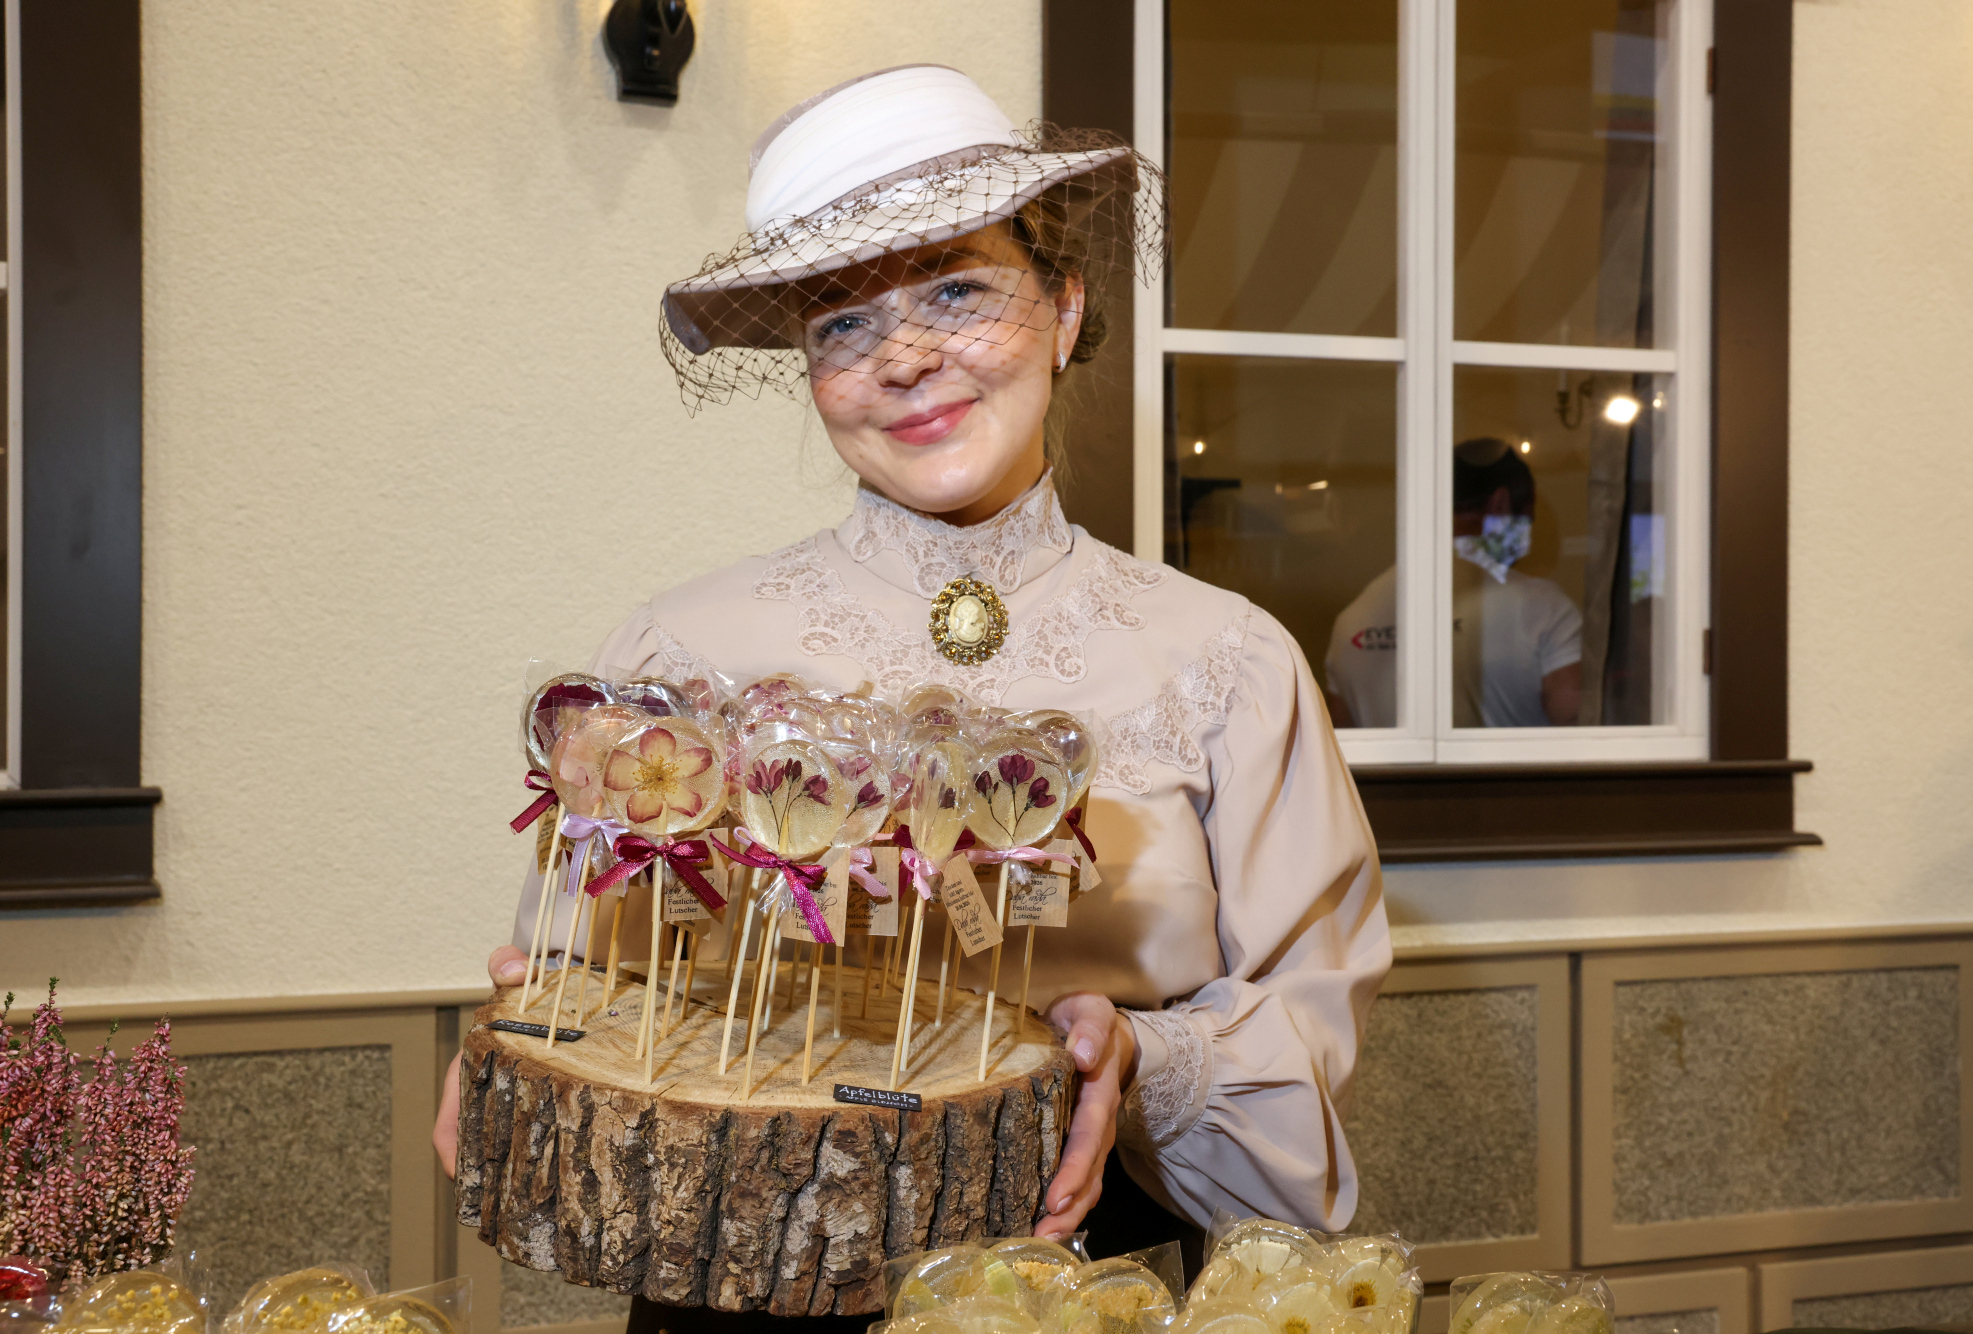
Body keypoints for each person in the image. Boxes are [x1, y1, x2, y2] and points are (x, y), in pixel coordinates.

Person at [434, 65, 1390, 1331]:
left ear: (1063, 309)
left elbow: (1306, 1028)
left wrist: (1138, 1058)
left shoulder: (1228, 660)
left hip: (1076, 1292)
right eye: (842, 323)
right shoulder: (679, 651)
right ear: (808, 371)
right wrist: (530, 1032)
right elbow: (578, 974)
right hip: (734, 1303)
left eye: (955, 290)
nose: (904, 357)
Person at [1324, 438, 1581, 728]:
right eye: (1527, 522)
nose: (1527, 544)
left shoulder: (1351, 621)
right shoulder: (1543, 609)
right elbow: (1578, 729)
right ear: (1500, 503)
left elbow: (1339, 740)